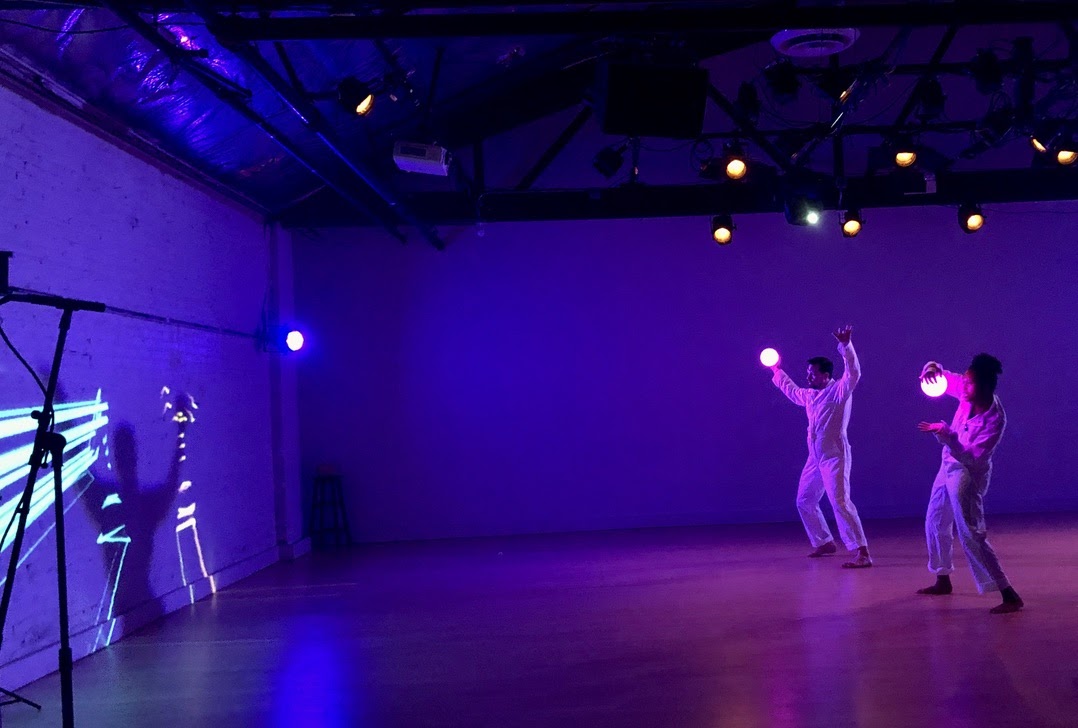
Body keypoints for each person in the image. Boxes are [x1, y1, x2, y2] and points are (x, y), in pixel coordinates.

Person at [917, 354, 1023, 614]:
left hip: (967, 472)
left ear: (986, 387)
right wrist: (932, 368)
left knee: (970, 531)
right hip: (948, 465)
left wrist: (947, 435)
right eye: (964, 380)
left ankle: (1008, 593)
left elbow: (971, 456)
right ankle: (942, 578)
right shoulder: (966, 392)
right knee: (935, 520)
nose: (963, 386)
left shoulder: (995, 420)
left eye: (969, 383)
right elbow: (942, 373)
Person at [770, 326, 872, 568]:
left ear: (826, 375)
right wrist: (776, 370)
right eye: (808, 373)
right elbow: (792, 391)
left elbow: (853, 373)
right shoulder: (809, 395)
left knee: (840, 501)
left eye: (813, 374)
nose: (808, 377)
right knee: (804, 500)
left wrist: (846, 346)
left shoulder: (838, 391)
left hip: (835, 456)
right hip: (815, 458)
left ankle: (862, 551)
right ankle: (825, 541)